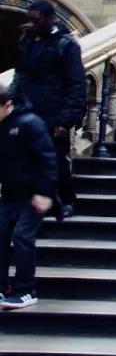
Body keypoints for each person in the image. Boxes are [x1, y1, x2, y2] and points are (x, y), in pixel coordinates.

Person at [10, 0, 87, 219]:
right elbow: (20, 75)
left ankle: (66, 199)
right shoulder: (26, 40)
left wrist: (67, 119)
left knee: (56, 159)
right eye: (30, 20)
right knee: (27, 158)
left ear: (49, 19)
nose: (32, 24)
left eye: (36, 20)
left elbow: (76, 83)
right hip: (26, 111)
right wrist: (11, 101)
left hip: (54, 112)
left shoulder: (66, 45)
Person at [0, 82, 57, 310]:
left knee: (22, 236)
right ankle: (3, 286)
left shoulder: (30, 123)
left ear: (7, 104)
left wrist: (44, 193)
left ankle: (26, 289)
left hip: (33, 194)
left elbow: (49, 159)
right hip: (10, 193)